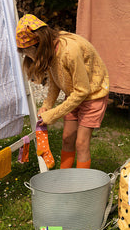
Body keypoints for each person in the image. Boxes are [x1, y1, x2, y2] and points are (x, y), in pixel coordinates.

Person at [16, 14, 109, 169]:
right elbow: (56, 80)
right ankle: (64, 180)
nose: (27, 57)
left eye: (27, 52)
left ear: (38, 46)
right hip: (75, 94)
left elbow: (83, 91)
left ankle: (81, 186)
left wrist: (53, 114)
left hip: (93, 95)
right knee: (67, 138)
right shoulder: (50, 49)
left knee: (81, 143)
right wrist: (47, 105)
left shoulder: (69, 52)